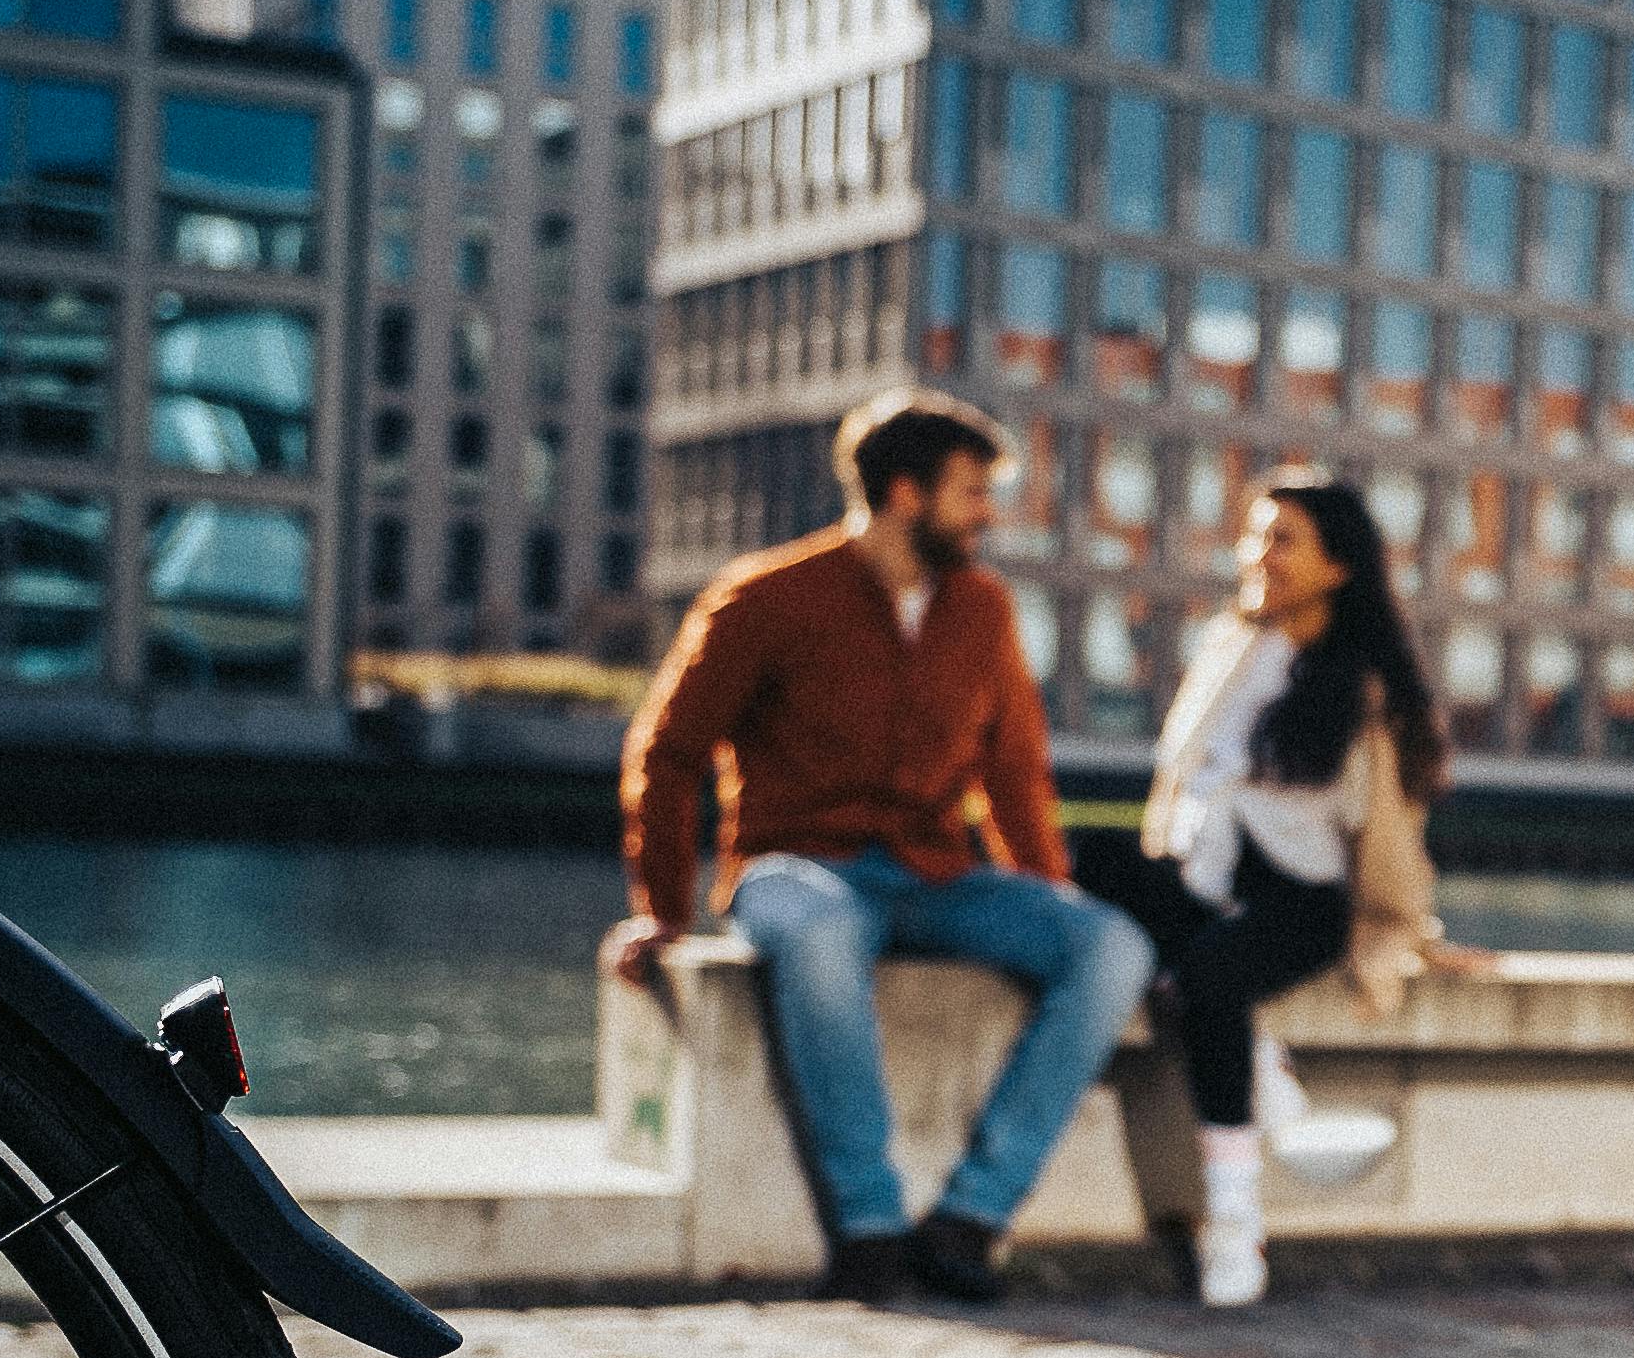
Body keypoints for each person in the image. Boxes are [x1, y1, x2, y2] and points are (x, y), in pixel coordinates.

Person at [613, 390, 1150, 1301]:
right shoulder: (765, 595)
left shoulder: (982, 609)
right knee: (821, 928)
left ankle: (972, 1218)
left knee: (1112, 945)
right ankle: (870, 1227)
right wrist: (662, 913)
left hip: (939, 875)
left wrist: (1049, 896)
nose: (989, 513)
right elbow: (668, 754)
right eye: (973, 492)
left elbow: (1015, 771)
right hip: (795, 871)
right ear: (907, 493)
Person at [1077, 471, 1455, 1308]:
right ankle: (1263, 1070)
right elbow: (1186, 788)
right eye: (1254, 534)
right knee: (1075, 859)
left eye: (1283, 539)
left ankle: (1236, 1218)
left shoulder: (1362, 688)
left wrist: (1404, 931)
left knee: (1204, 986)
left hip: (1303, 899)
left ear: (1338, 567)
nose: (1258, 554)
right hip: (1205, 873)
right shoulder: (1231, 647)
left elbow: (1388, 838)